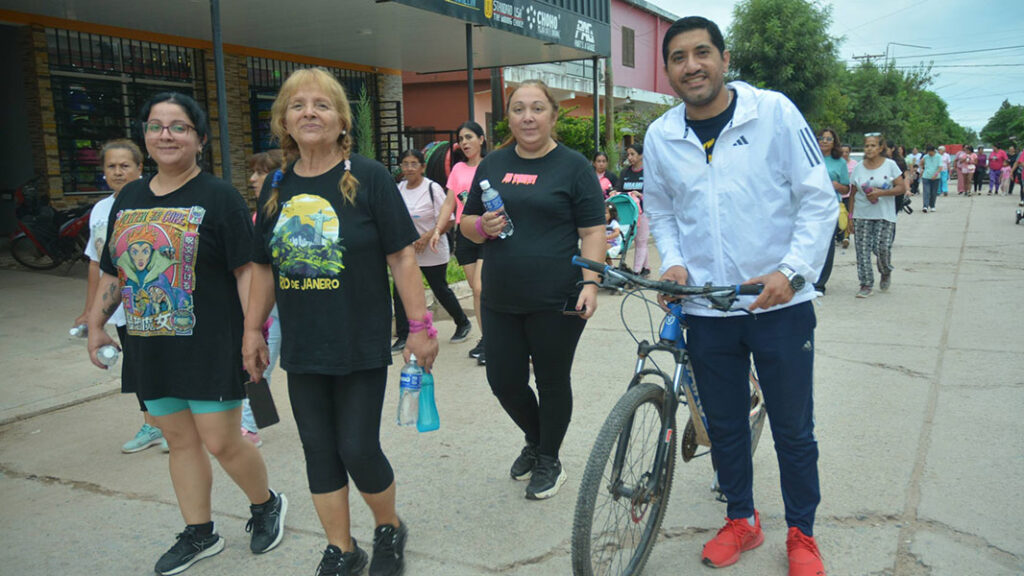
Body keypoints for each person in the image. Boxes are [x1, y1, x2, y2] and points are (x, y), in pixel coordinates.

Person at [644, 17, 835, 575]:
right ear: (668, 70)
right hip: (707, 305)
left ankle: (801, 533)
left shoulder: (772, 112)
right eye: (678, 57)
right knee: (725, 425)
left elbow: (818, 199)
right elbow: (661, 211)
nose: (691, 66)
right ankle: (742, 520)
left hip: (779, 305)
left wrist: (792, 272)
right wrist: (673, 261)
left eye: (702, 52)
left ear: (725, 59)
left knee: (793, 429)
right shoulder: (660, 136)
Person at [243, 68, 437, 576]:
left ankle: (388, 527)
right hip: (303, 345)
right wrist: (252, 331)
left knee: (357, 447)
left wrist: (420, 328)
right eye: (298, 105)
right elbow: (262, 266)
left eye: (322, 105)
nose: (310, 112)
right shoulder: (276, 186)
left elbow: (402, 257)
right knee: (318, 450)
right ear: (284, 120)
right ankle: (342, 549)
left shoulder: (369, 177)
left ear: (342, 120)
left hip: (358, 340)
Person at [87, 92, 285, 575]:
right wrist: (95, 324)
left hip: (210, 342)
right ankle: (200, 531)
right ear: (145, 137)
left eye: (179, 127)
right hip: (149, 343)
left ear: (199, 139)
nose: (166, 135)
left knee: (221, 441)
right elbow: (113, 269)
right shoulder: (128, 198)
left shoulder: (219, 197)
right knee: (179, 441)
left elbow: (247, 270)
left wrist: (253, 333)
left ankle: (266, 504)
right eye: (156, 126)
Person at [460, 79, 606, 501]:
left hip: (558, 297)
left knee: (552, 380)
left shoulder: (574, 167)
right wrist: (481, 225)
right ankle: (538, 440)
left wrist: (591, 282)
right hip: (500, 296)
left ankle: (549, 459)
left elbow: (593, 231)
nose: (528, 117)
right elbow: (466, 224)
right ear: (508, 118)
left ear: (553, 115)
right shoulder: (493, 164)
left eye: (537, 108)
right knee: (503, 380)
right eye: (519, 109)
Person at [74, 139, 167, 453]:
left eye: (125, 165)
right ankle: (152, 426)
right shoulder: (100, 210)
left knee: (161, 366)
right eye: (111, 166)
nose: (117, 172)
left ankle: (176, 426)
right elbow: (97, 263)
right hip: (120, 308)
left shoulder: (154, 202)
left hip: (152, 304)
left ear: (140, 168)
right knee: (138, 368)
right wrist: (91, 312)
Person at [391, 148, 471, 349]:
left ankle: (462, 322)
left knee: (439, 289)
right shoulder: (399, 189)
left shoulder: (432, 188)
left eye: (414, 164)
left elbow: (448, 220)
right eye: (405, 164)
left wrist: (426, 237)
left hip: (432, 248)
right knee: (399, 291)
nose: (409, 168)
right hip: (409, 250)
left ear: (422, 167)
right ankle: (403, 335)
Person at [431, 121, 487, 364]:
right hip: (464, 235)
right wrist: (437, 230)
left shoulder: (491, 166)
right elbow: (449, 203)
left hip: (487, 232)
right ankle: (487, 339)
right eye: (461, 139)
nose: (465, 142)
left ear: (481, 139)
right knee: (477, 290)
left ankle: (494, 339)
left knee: (480, 288)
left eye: (469, 137)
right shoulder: (457, 169)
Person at [240, 150, 285, 448]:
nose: (253, 179)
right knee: (260, 364)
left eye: (261, 172)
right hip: (272, 309)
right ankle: (250, 424)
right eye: (253, 172)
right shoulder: (259, 215)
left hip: (301, 304)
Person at [851, 133, 906, 298]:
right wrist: (850, 216)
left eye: (873, 145)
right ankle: (866, 283)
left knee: (882, 247)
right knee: (862, 251)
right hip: (862, 214)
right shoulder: (859, 167)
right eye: (867, 146)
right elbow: (853, 192)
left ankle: (885, 270)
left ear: (881, 147)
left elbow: (901, 188)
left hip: (884, 214)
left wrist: (881, 193)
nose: (869, 149)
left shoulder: (890, 165)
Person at [814, 128, 849, 294]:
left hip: (830, 207)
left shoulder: (840, 162)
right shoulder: (809, 157)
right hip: (809, 206)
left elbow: (846, 188)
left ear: (834, 142)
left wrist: (837, 186)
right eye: (821, 138)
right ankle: (807, 279)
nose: (824, 141)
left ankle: (820, 284)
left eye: (828, 139)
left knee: (827, 245)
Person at [618, 143, 650, 276]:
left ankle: (636, 273)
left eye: (633, 154)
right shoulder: (625, 172)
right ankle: (646, 268)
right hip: (629, 213)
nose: (630, 157)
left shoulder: (648, 172)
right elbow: (619, 189)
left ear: (641, 155)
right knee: (637, 240)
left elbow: (655, 194)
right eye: (628, 155)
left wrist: (640, 195)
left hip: (644, 212)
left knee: (641, 241)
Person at [919, 144, 942, 213]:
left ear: (933, 151)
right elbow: (921, 163)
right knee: (926, 192)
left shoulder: (938, 157)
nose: (929, 153)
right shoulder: (926, 157)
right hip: (926, 176)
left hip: (936, 178)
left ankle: (932, 205)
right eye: (928, 152)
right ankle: (925, 206)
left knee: (933, 192)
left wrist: (936, 174)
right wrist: (922, 169)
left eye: (930, 152)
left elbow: (940, 167)